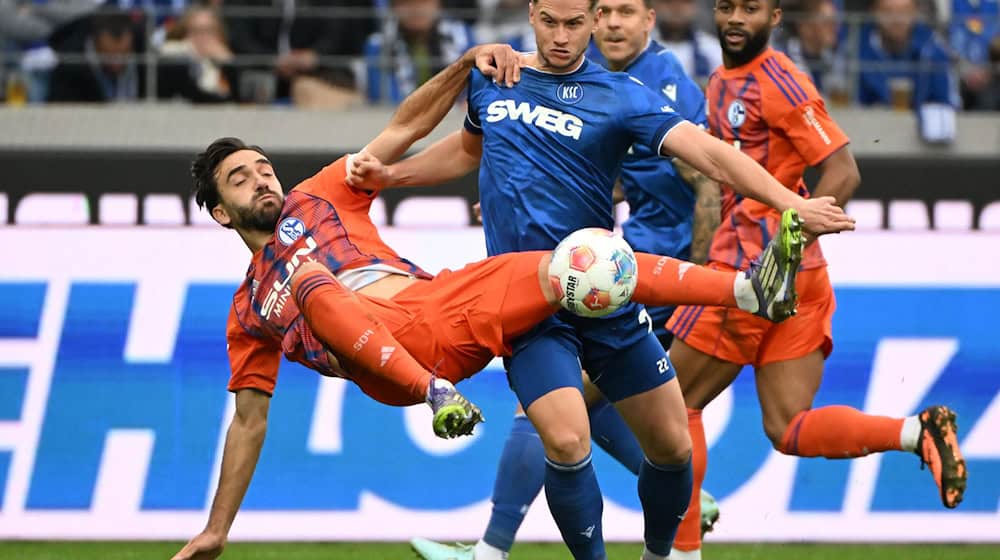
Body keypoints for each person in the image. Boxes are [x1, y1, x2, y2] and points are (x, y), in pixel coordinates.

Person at [169, 41, 808, 560]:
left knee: (581, 261)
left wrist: (465, 62)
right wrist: (217, 528)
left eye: (261, 166)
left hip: (443, 306)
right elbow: (249, 422)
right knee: (311, 283)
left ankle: (749, 288)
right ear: (222, 213)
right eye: (241, 178)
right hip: (392, 363)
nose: (262, 178)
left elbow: (404, 128)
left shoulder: (318, 195)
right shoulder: (250, 309)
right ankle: (439, 405)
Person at [345, 1, 854, 557]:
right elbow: (469, 150)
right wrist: (394, 174)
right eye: (550, 23)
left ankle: (659, 552)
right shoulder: (495, 78)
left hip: (604, 298)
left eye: (574, 24)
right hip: (526, 308)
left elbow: (709, 155)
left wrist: (787, 202)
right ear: (533, 14)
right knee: (565, 440)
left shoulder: (623, 94)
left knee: (673, 449)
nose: (561, 37)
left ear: (591, 22)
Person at [408, 0, 722, 557]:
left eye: (627, 12)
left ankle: (495, 549)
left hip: (638, 269)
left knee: (567, 413)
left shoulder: (653, 81)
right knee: (569, 416)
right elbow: (602, 168)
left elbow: (704, 177)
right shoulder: (553, 75)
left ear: (648, 20)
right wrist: (519, 183)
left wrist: (695, 273)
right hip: (600, 260)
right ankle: (679, 507)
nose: (614, 25)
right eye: (608, 16)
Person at [665, 1, 967, 559]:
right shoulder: (720, 80)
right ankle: (914, 430)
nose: (735, 19)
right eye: (727, 7)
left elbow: (843, 169)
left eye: (750, 9)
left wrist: (789, 240)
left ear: (775, 16)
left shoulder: (778, 80)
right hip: (797, 278)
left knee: (675, 404)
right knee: (788, 428)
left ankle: (681, 554)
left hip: (754, 272)